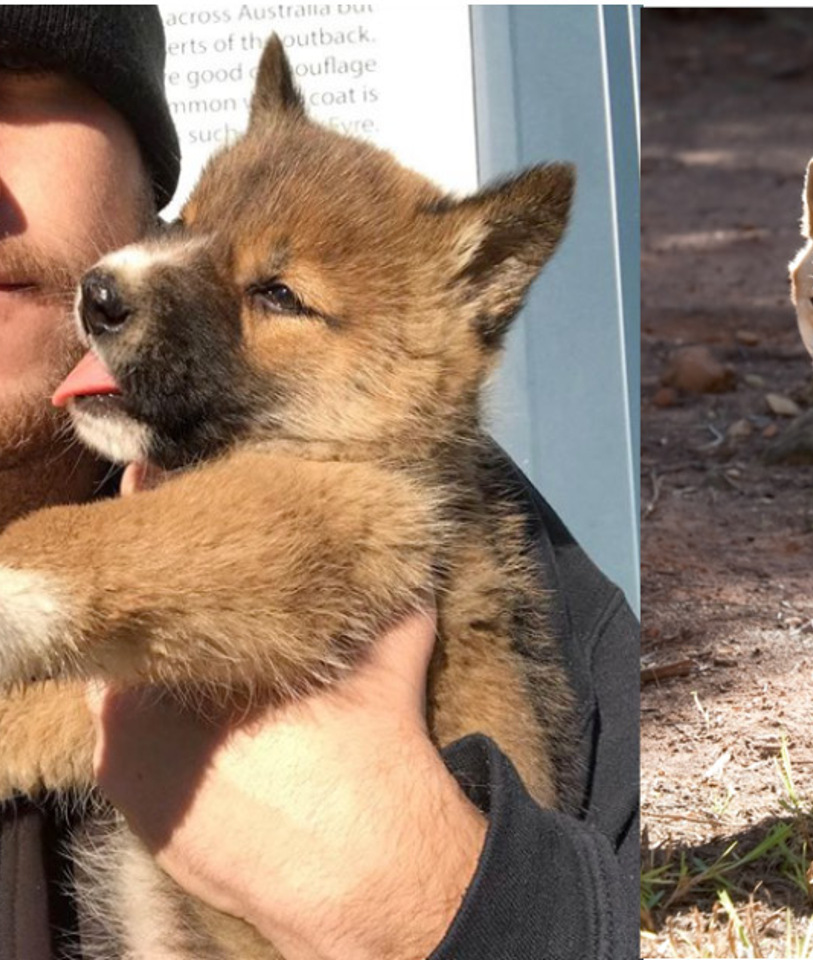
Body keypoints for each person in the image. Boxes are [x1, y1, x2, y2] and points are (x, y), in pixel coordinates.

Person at [0, 7, 638, 959]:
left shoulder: (543, 602)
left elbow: (288, 534)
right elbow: (77, 711)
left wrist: (439, 902)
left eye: (277, 296)